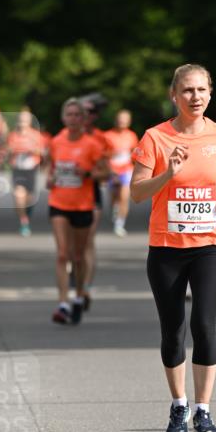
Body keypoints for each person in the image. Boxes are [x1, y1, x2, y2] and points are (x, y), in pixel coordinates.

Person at [130, 63, 216, 432]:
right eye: (188, 91)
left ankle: (203, 412)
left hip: (211, 244)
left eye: (201, 90)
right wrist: (168, 175)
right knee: (173, 329)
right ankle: (179, 405)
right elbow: (137, 192)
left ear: (211, 93)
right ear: (174, 95)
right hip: (166, 247)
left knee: (204, 324)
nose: (195, 97)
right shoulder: (155, 138)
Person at [47, 98, 107, 325]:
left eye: (77, 115)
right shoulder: (56, 142)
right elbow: (51, 170)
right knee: (63, 254)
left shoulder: (92, 144)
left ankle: (80, 295)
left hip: (83, 205)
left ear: (83, 120)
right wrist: (51, 179)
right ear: (63, 118)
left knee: (79, 256)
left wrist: (88, 173)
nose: (73, 119)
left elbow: (105, 173)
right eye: (69, 115)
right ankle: (63, 302)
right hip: (59, 203)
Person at [80, 94, 111, 310]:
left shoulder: (100, 139)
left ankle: (86, 288)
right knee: (72, 249)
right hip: (64, 199)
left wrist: (88, 174)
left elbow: (106, 174)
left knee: (87, 242)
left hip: (91, 196)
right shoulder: (64, 137)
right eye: (82, 111)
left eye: (90, 112)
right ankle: (77, 281)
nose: (85, 116)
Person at [6, 108, 46, 236]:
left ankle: (27, 211)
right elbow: (7, 153)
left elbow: (43, 152)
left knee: (29, 198)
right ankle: (24, 222)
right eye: (21, 119)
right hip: (17, 170)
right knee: (18, 196)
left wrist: (32, 150)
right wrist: (13, 150)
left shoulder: (36, 135)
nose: (22, 121)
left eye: (25, 119)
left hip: (31, 169)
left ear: (29, 121)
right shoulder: (13, 135)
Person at [105, 109, 139, 236]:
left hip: (126, 170)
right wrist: (110, 170)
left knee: (124, 197)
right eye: (120, 119)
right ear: (116, 120)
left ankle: (120, 224)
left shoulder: (132, 136)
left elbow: (134, 154)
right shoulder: (107, 136)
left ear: (129, 122)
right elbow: (103, 156)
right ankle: (115, 210)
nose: (122, 121)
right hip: (112, 170)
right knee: (114, 198)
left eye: (125, 119)